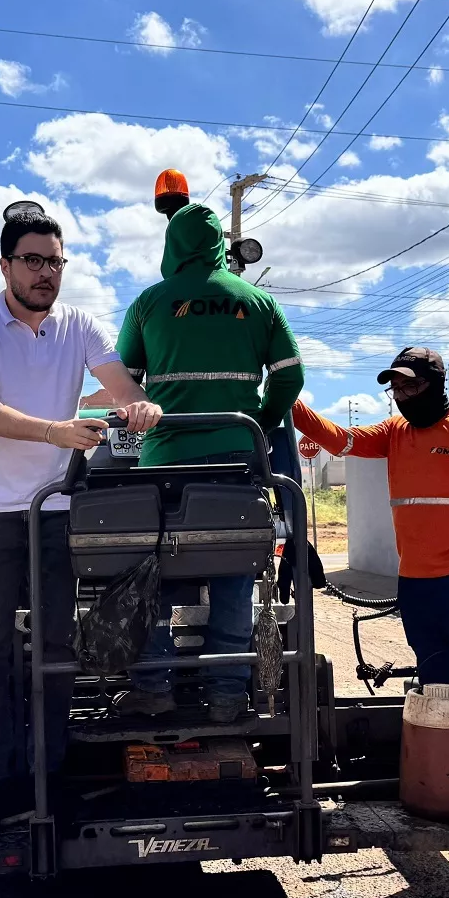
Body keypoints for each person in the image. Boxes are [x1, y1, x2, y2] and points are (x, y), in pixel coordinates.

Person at [0, 203, 162, 848]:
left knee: (56, 647)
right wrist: (56, 430)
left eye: (56, 262)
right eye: (33, 260)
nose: (46, 273)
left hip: (53, 509)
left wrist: (139, 404)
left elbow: (119, 382)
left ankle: (51, 773)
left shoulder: (80, 325)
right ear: (6, 264)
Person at [293, 346, 449, 829]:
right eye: (396, 387)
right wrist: (288, 400)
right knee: (440, 684)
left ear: (437, 383)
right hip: (416, 584)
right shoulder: (395, 433)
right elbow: (340, 440)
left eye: (411, 385)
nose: (401, 395)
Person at [114, 201, 304, 723]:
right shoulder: (257, 301)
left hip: (165, 462)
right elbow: (291, 376)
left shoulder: (149, 303)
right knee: (233, 572)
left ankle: (154, 685)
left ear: (170, 245)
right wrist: (261, 422)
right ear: (222, 242)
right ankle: (226, 693)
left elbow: (124, 381)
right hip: (236, 463)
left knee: (150, 569)